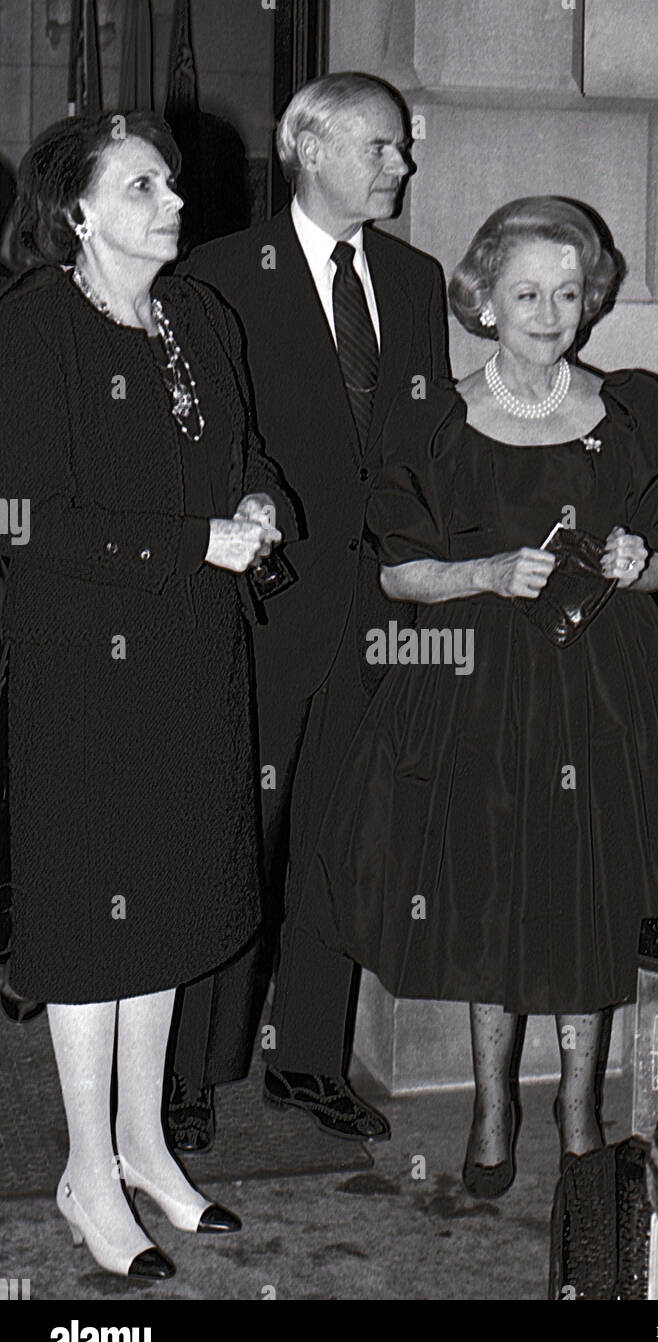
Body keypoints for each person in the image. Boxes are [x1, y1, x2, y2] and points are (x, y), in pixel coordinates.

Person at [298, 196, 658, 1197]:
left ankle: (579, 1105)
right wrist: (486, 572)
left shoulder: (634, 409)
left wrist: (641, 559)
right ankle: (493, 1103)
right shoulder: (436, 419)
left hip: (608, 687)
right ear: (483, 301)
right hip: (478, 691)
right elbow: (395, 575)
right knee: (491, 900)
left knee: (590, 899)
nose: (549, 312)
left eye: (566, 292)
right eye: (525, 293)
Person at [0, 110, 298, 1280]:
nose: (173, 201)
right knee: (92, 918)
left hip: (192, 653)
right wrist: (197, 543)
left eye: (170, 182)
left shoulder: (200, 314)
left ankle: (141, 1142)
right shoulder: (33, 328)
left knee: (168, 896)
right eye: (141, 186)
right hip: (85, 661)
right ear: (76, 211)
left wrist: (262, 505)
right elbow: (25, 519)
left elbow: (246, 452)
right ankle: (84, 1168)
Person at [166, 71, 451, 1150]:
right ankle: (195, 1067)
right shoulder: (221, 276)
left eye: (401, 148)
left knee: (341, 837)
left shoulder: (416, 280)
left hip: (381, 613)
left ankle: (311, 1058)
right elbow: (198, 439)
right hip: (262, 611)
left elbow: (422, 451)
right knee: (236, 834)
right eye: (381, 146)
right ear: (309, 147)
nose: (400, 165)